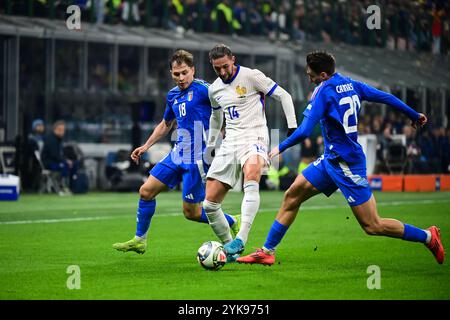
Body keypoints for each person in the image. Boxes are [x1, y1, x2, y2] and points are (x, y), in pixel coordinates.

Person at [237, 51, 444, 266]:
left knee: (372, 225)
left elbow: (305, 130)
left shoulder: (323, 91)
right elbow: (386, 97)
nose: (309, 78)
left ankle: (428, 237)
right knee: (292, 195)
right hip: (331, 160)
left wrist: (280, 147)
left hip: (347, 164)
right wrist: (413, 114)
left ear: (324, 74)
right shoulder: (351, 83)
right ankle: (267, 251)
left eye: (311, 75)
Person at [113, 49, 239, 254]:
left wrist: (225, 133)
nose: (180, 78)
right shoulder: (172, 95)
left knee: (191, 212)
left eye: (184, 73)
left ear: (192, 70)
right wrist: (146, 146)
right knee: (146, 191)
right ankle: (140, 240)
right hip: (178, 153)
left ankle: (233, 221)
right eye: (176, 74)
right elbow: (166, 124)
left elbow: (227, 107)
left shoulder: (205, 90)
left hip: (198, 159)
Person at [203, 44, 298, 261]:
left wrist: (292, 127)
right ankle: (230, 249)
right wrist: (210, 145)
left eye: (226, 66)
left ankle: (242, 238)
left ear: (233, 60)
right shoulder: (214, 89)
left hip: (255, 137)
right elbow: (216, 118)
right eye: (218, 69)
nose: (223, 72)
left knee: (252, 173)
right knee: (209, 205)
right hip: (230, 142)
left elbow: (284, 96)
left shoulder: (251, 76)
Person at [41, 120, 77, 195]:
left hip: (56, 161)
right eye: (59, 130)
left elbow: (61, 154)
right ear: (54, 129)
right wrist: (65, 161)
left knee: (74, 164)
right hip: (49, 163)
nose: (61, 132)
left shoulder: (58, 139)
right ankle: (62, 186)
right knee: (65, 166)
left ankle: (72, 186)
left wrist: (67, 160)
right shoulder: (51, 139)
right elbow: (54, 155)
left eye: (63, 130)